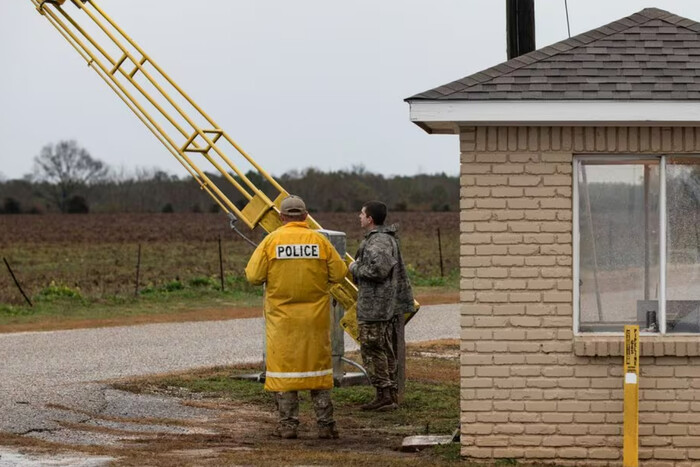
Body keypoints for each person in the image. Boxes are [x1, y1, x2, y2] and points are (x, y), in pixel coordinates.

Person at [245, 195, 347, 440]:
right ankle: (325, 425)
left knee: (285, 372)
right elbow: (340, 272)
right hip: (316, 320)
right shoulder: (319, 241)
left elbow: (253, 276)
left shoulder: (272, 241)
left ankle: (288, 426)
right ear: (305, 216)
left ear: (281, 217)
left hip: (283, 321)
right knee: (317, 372)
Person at [349, 200, 414, 411]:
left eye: (362, 214)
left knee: (373, 348)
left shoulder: (378, 242)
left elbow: (378, 271)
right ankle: (387, 395)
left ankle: (385, 395)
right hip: (378, 305)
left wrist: (354, 268)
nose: (359, 217)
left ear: (370, 219)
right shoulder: (381, 239)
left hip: (376, 306)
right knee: (381, 348)